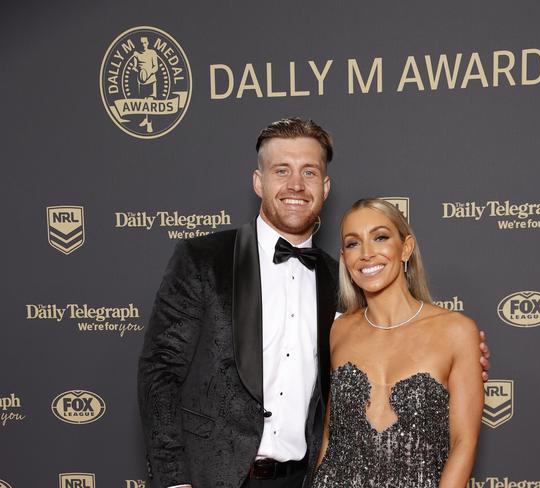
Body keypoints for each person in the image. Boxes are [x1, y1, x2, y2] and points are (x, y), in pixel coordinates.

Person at [137, 118, 490, 488]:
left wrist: (463, 356)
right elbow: (158, 372)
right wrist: (173, 480)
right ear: (259, 182)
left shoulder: (340, 281)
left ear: (325, 187)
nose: (295, 185)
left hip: (303, 480)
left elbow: (394, 349)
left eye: (309, 172)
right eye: (281, 170)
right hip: (208, 478)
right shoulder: (203, 259)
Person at [312, 198, 484, 488]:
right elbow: (331, 436)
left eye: (380, 237)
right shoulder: (339, 330)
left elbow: (462, 443)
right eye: (353, 244)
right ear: (344, 258)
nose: (366, 253)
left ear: (405, 248)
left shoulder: (456, 331)